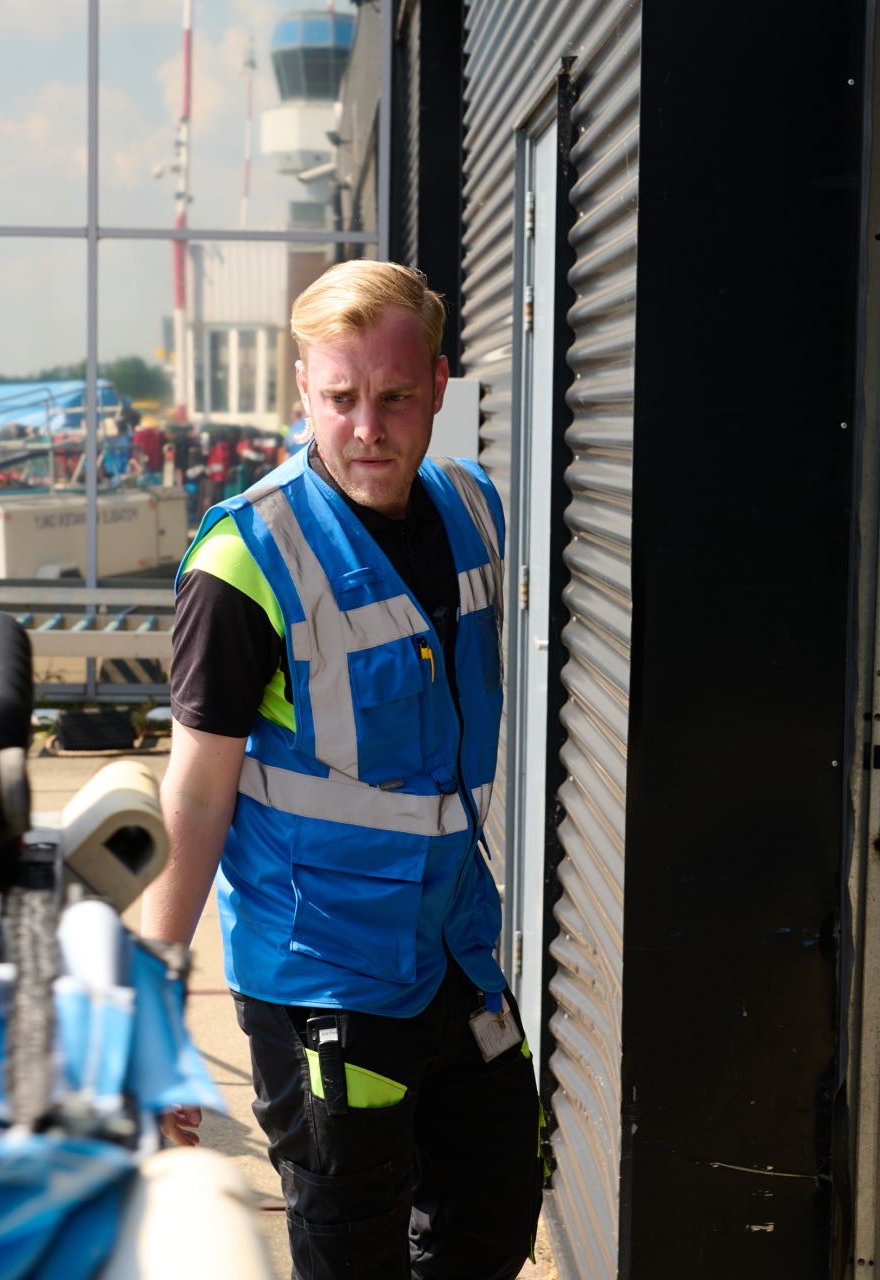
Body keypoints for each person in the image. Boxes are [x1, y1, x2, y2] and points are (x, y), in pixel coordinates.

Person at [142, 261, 542, 1279]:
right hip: (324, 975)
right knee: (352, 1240)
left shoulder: (473, 508)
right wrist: (151, 995)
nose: (368, 426)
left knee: (494, 1203)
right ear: (301, 391)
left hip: (456, 952)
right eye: (340, 398)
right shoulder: (244, 561)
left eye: (395, 396)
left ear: (438, 387)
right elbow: (193, 789)